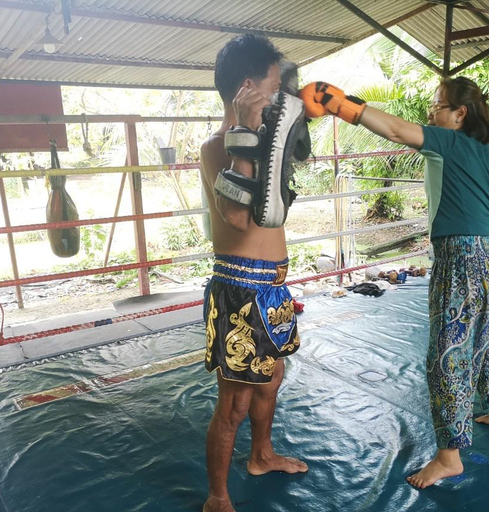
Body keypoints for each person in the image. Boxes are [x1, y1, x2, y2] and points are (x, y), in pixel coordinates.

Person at [300, 77, 489, 488]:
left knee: (449, 352)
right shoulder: (487, 152)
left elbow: (392, 128)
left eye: (439, 105)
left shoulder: (447, 140)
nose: (432, 112)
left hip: (461, 260)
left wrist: (344, 106)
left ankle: (449, 457)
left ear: (459, 114)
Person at [199, 34, 308, 512]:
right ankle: (217, 498)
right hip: (240, 287)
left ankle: (261, 456)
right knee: (236, 403)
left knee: (271, 380)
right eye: (272, 83)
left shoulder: (265, 141)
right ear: (247, 88)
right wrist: (246, 133)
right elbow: (239, 219)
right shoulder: (216, 147)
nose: (279, 92)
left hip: (273, 287)